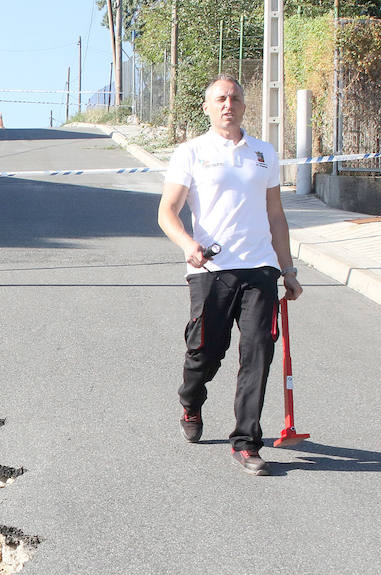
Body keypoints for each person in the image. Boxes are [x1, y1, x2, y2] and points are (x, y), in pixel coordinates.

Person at [157, 75, 302, 476]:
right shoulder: (192, 152)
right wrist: (189, 245)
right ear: (207, 107)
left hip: (260, 269)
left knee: (257, 352)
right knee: (206, 351)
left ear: (243, 106)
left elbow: (276, 215)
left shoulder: (264, 153)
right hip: (212, 269)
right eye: (220, 98)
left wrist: (287, 269)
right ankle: (190, 399)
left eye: (235, 98)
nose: (228, 104)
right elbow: (167, 211)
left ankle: (245, 442)